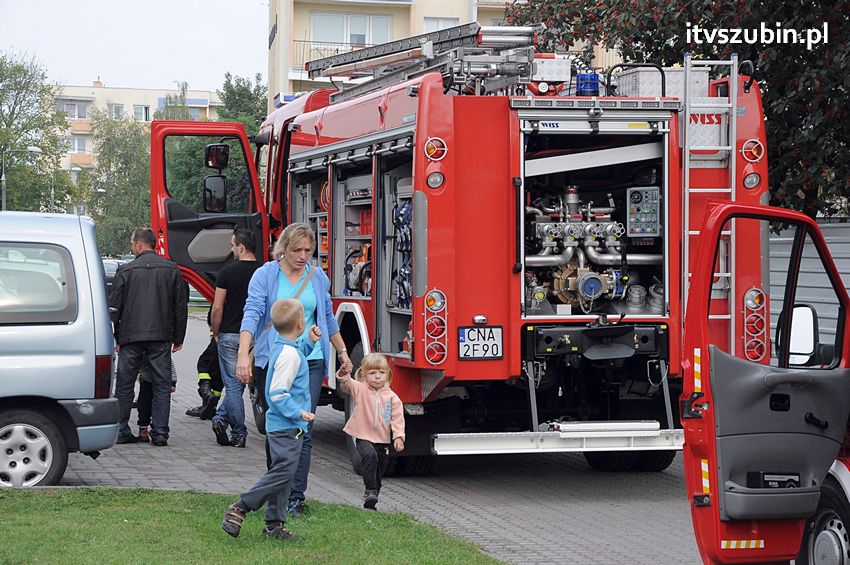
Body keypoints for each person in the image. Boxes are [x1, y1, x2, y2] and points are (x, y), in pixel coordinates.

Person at [236, 223, 353, 516]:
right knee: (276, 427)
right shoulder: (265, 275)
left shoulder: (317, 277)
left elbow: (327, 316)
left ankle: (295, 497)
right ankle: (276, 489)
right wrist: (241, 354)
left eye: (308, 251)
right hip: (274, 359)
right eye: (296, 250)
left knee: (304, 427)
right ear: (283, 248)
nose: (302, 256)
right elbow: (251, 314)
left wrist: (342, 352)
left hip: (309, 360)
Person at [221, 298, 321, 541]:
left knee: (283, 476)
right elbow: (278, 393)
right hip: (286, 427)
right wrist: (298, 412)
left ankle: (274, 526)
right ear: (300, 322)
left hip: (284, 427)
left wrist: (308, 341)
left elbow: (295, 356)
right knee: (282, 474)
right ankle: (240, 507)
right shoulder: (289, 355)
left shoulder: (283, 346)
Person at [110, 228, 188, 446]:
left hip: (130, 337)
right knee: (162, 385)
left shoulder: (126, 270)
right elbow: (180, 306)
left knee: (125, 385)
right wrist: (178, 337)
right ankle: (160, 433)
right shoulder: (171, 270)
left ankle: (121, 431)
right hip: (160, 336)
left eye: (131, 244)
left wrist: (115, 337)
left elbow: (114, 307)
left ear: (138, 244)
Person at [335, 353, 405, 510]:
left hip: (383, 439)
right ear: (364, 375)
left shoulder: (392, 397)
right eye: (372, 373)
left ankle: (373, 499)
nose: (377, 377)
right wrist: (343, 374)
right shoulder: (360, 389)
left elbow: (397, 418)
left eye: (381, 373)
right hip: (363, 435)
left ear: (388, 375)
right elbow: (347, 384)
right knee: (369, 456)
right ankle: (369, 491)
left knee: (379, 468)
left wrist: (399, 436)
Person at [210, 229, 260, 447]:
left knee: (232, 386)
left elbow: (217, 307)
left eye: (232, 245)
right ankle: (220, 419)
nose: (231, 250)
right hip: (258, 337)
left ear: (241, 247)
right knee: (238, 386)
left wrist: (215, 331)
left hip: (231, 335)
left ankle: (239, 432)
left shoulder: (227, 272)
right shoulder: (266, 271)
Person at [136, 357, 178, 442]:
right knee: (144, 406)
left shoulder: (160, 351)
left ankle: (154, 429)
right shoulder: (142, 351)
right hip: (147, 381)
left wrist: (173, 382)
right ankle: (144, 429)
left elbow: (170, 365)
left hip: (160, 381)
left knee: (154, 406)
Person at [185, 334, 223, 420]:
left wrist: (214, 332)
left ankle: (206, 394)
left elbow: (215, 320)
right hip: (246, 338)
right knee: (218, 371)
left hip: (224, 334)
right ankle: (211, 406)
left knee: (203, 363)